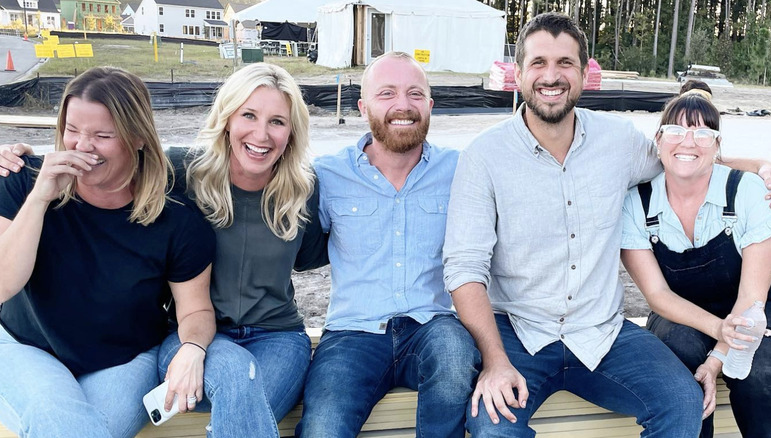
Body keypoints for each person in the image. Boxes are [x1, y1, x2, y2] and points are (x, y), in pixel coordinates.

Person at [442, 12, 771, 437]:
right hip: (518, 332)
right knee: (492, 425)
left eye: (565, 63)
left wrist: (757, 166)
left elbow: (682, 157)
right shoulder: (484, 157)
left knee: (683, 403)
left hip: (602, 332)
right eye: (539, 63)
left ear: (585, 74)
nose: (552, 76)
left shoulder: (617, 141)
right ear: (518, 73)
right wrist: (494, 360)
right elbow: (464, 269)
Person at [0, 67, 216, 438]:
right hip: (24, 343)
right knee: (57, 417)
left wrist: (193, 346)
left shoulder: (178, 222)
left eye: (102, 135)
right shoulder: (23, 181)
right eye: (72, 130)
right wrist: (39, 198)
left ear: (138, 138)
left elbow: (195, 309)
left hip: (124, 357)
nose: (82, 146)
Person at [296, 51, 480, 438]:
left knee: (455, 358)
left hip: (432, 324)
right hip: (352, 332)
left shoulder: (461, 170)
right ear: (363, 107)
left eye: (415, 94)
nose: (403, 105)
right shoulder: (327, 175)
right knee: (323, 426)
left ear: (430, 105)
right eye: (387, 94)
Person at [159, 62, 328, 437]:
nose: (262, 134)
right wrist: (21, 160)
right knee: (239, 383)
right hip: (192, 336)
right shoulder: (181, 172)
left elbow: (310, 256)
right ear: (227, 120)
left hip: (278, 338)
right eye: (249, 115)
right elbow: (108, 156)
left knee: (245, 407)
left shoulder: (304, 190)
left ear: (291, 132)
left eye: (277, 122)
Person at [621, 93, 771, 438]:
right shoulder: (636, 203)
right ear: (658, 140)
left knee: (761, 370)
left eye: (703, 133)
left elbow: (752, 298)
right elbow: (657, 295)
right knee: (678, 353)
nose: (689, 141)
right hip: (679, 305)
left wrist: (717, 358)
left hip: (759, 302)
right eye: (676, 130)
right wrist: (718, 332)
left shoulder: (752, 192)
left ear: (717, 146)